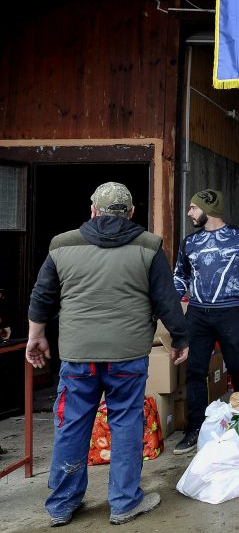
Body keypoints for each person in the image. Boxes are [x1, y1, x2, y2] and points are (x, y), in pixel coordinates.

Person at [26, 182, 188, 527]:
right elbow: (167, 301)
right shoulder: (148, 245)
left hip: (78, 356)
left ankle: (61, 505)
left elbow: (42, 296)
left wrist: (35, 336)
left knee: (71, 426)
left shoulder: (62, 245)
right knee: (126, 423)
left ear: (93, 209)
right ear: (131, 212)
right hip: (127, 355)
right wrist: (180, 338)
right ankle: (125, 502)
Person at [172, 189, 239, 455]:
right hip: (197, 313)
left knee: (238, 365)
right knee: (194, 371)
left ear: (209, 209)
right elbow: (180, 277)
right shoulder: (189, 242)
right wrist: (170, 304)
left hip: (230, 312)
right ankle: (195, 429)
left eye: (193, 208)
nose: (190, 213)